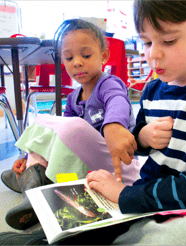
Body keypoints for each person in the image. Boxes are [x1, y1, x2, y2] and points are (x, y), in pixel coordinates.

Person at [2, 0, 186, 245]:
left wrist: (126, 195)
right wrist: (142, 137)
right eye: (147, 42)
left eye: (169, 41)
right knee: (87, 218)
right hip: (148, 200)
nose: (153, 54)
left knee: (169, 239)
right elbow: (137, 145)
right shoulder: (153, 91)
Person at [1, 18, 145, 231]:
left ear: (103, 56)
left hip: (119, 164)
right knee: (52, 127)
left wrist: (114, 125)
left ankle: (33, 183)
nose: (77, 62)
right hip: (88, 168)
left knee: (71, 128)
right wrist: (27, 156)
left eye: (86, 55)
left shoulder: (108, 83)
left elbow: (118, 101)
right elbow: (57, 137)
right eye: (69, 57)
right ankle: (32, 180)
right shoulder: (72, 97)